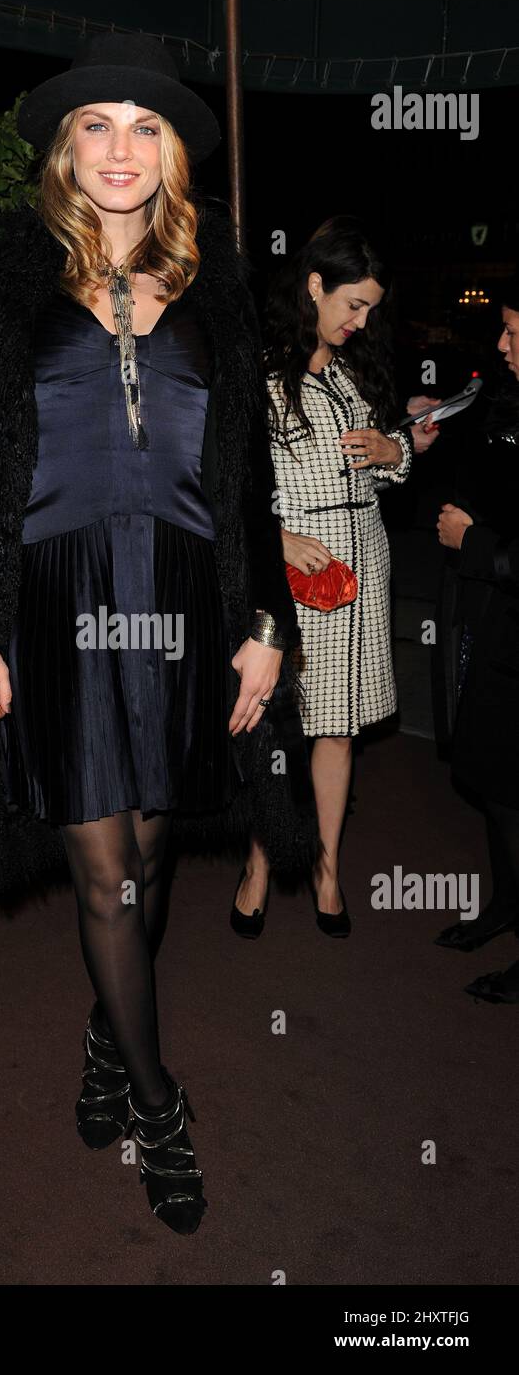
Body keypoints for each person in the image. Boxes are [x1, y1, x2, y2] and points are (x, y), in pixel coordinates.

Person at [0, 34, 318, 1235]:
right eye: (95, 126)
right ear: (64, 151)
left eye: (144, 126)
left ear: (172, 156)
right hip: (52, 600)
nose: (119, 148)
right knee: (102, 868)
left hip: (178, 596)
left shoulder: (215, 295)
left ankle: (109, 1046)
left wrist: (266, 624)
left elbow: (249, 483)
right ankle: (158, 1104)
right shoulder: (3, 290)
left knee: (154, 856)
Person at [231, 217, 425, 940]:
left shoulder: (355, 372)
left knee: (338, 731)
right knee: (278, 726)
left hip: (362, 562)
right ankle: (257, 863)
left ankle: (326, 870)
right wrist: (276, 538)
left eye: (370, 308)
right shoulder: (256, 370)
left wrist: (390, 450)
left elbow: (396, 463)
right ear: (313, 285)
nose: (360, 320)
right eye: (352, 304)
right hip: (292, 574)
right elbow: (224, 485)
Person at [433, 279, 519, 1004]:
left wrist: (475, 540)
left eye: (515, 332)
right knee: (496, 787)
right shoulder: (508, 397)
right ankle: (504, 908)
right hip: (500, 622)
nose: (500, 343)